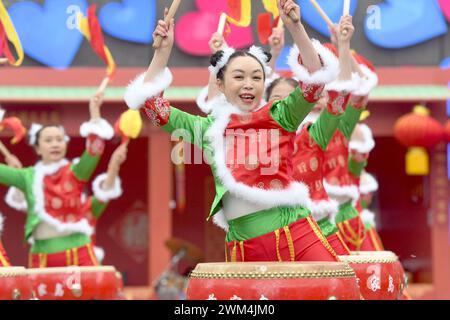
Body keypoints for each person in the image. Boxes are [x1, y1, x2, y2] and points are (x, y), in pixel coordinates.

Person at [124, 0, 341, 262]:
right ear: (220, 83)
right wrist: (162, 52)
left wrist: (295, 27)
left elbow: (314, 82)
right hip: (244, 247)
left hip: (297, 235)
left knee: (336, 289)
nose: (248, 85)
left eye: (256, 77)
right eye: (239, 77)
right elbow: (153, 107)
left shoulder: (280, 116)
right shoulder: (208, 130)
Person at [0, 79, 114, 268]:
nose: (55, 144)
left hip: (79, 251)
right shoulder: (27, 177)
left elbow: (94, 150)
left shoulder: (76, 171)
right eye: (49, 140)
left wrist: (95, 113)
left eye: (59, 139)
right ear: (37, 148)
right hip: (41, 255)